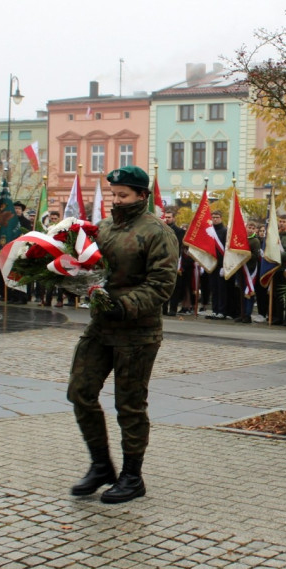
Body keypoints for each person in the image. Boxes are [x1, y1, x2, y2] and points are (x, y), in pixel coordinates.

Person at [67, 165, 179, 503]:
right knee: (80, 391)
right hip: (101, 326)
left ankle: (132, 476)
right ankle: (101, 465)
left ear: (142, 195)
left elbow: (162, 285)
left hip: (138, 332)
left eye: (123, 195)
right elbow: (88, 267)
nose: (116, 200)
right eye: (113, 194)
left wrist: (125, 305)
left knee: (129, 406)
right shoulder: (102, 228)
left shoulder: (157, 232)